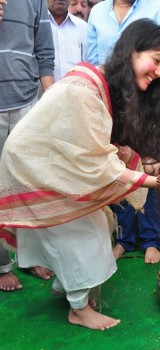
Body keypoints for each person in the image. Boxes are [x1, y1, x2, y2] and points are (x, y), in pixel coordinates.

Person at [0, 20, 160, 329]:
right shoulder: (86, 88)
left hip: (55, 167)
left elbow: (120, 152)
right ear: (131, 52)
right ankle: (78, 309)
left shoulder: (111, 89)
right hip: (35, 167)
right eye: (156, 59)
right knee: (82, 235)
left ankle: (67, 288)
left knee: (99, 222)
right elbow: (102, 164)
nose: (159, 72)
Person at [86, 0, 160, 263]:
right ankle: (125, 239)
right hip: (112, 103)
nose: (159, 69)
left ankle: (150, 239)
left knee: (150, 166)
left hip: (148, 105)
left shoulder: (159, 7)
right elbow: (94, 60)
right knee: (120, 173)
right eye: (154, 61)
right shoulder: (98, 11)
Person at [0, 0, 55, 291]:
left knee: (27, 187)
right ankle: (1, 265)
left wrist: (52, 102)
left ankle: (29, 256)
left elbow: (44, 51)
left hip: (26, 101)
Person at [47, 0, 87, 82]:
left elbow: (88, 67)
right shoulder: (36, 24)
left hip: (76, 92)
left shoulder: (83, 28)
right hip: (42, 93)